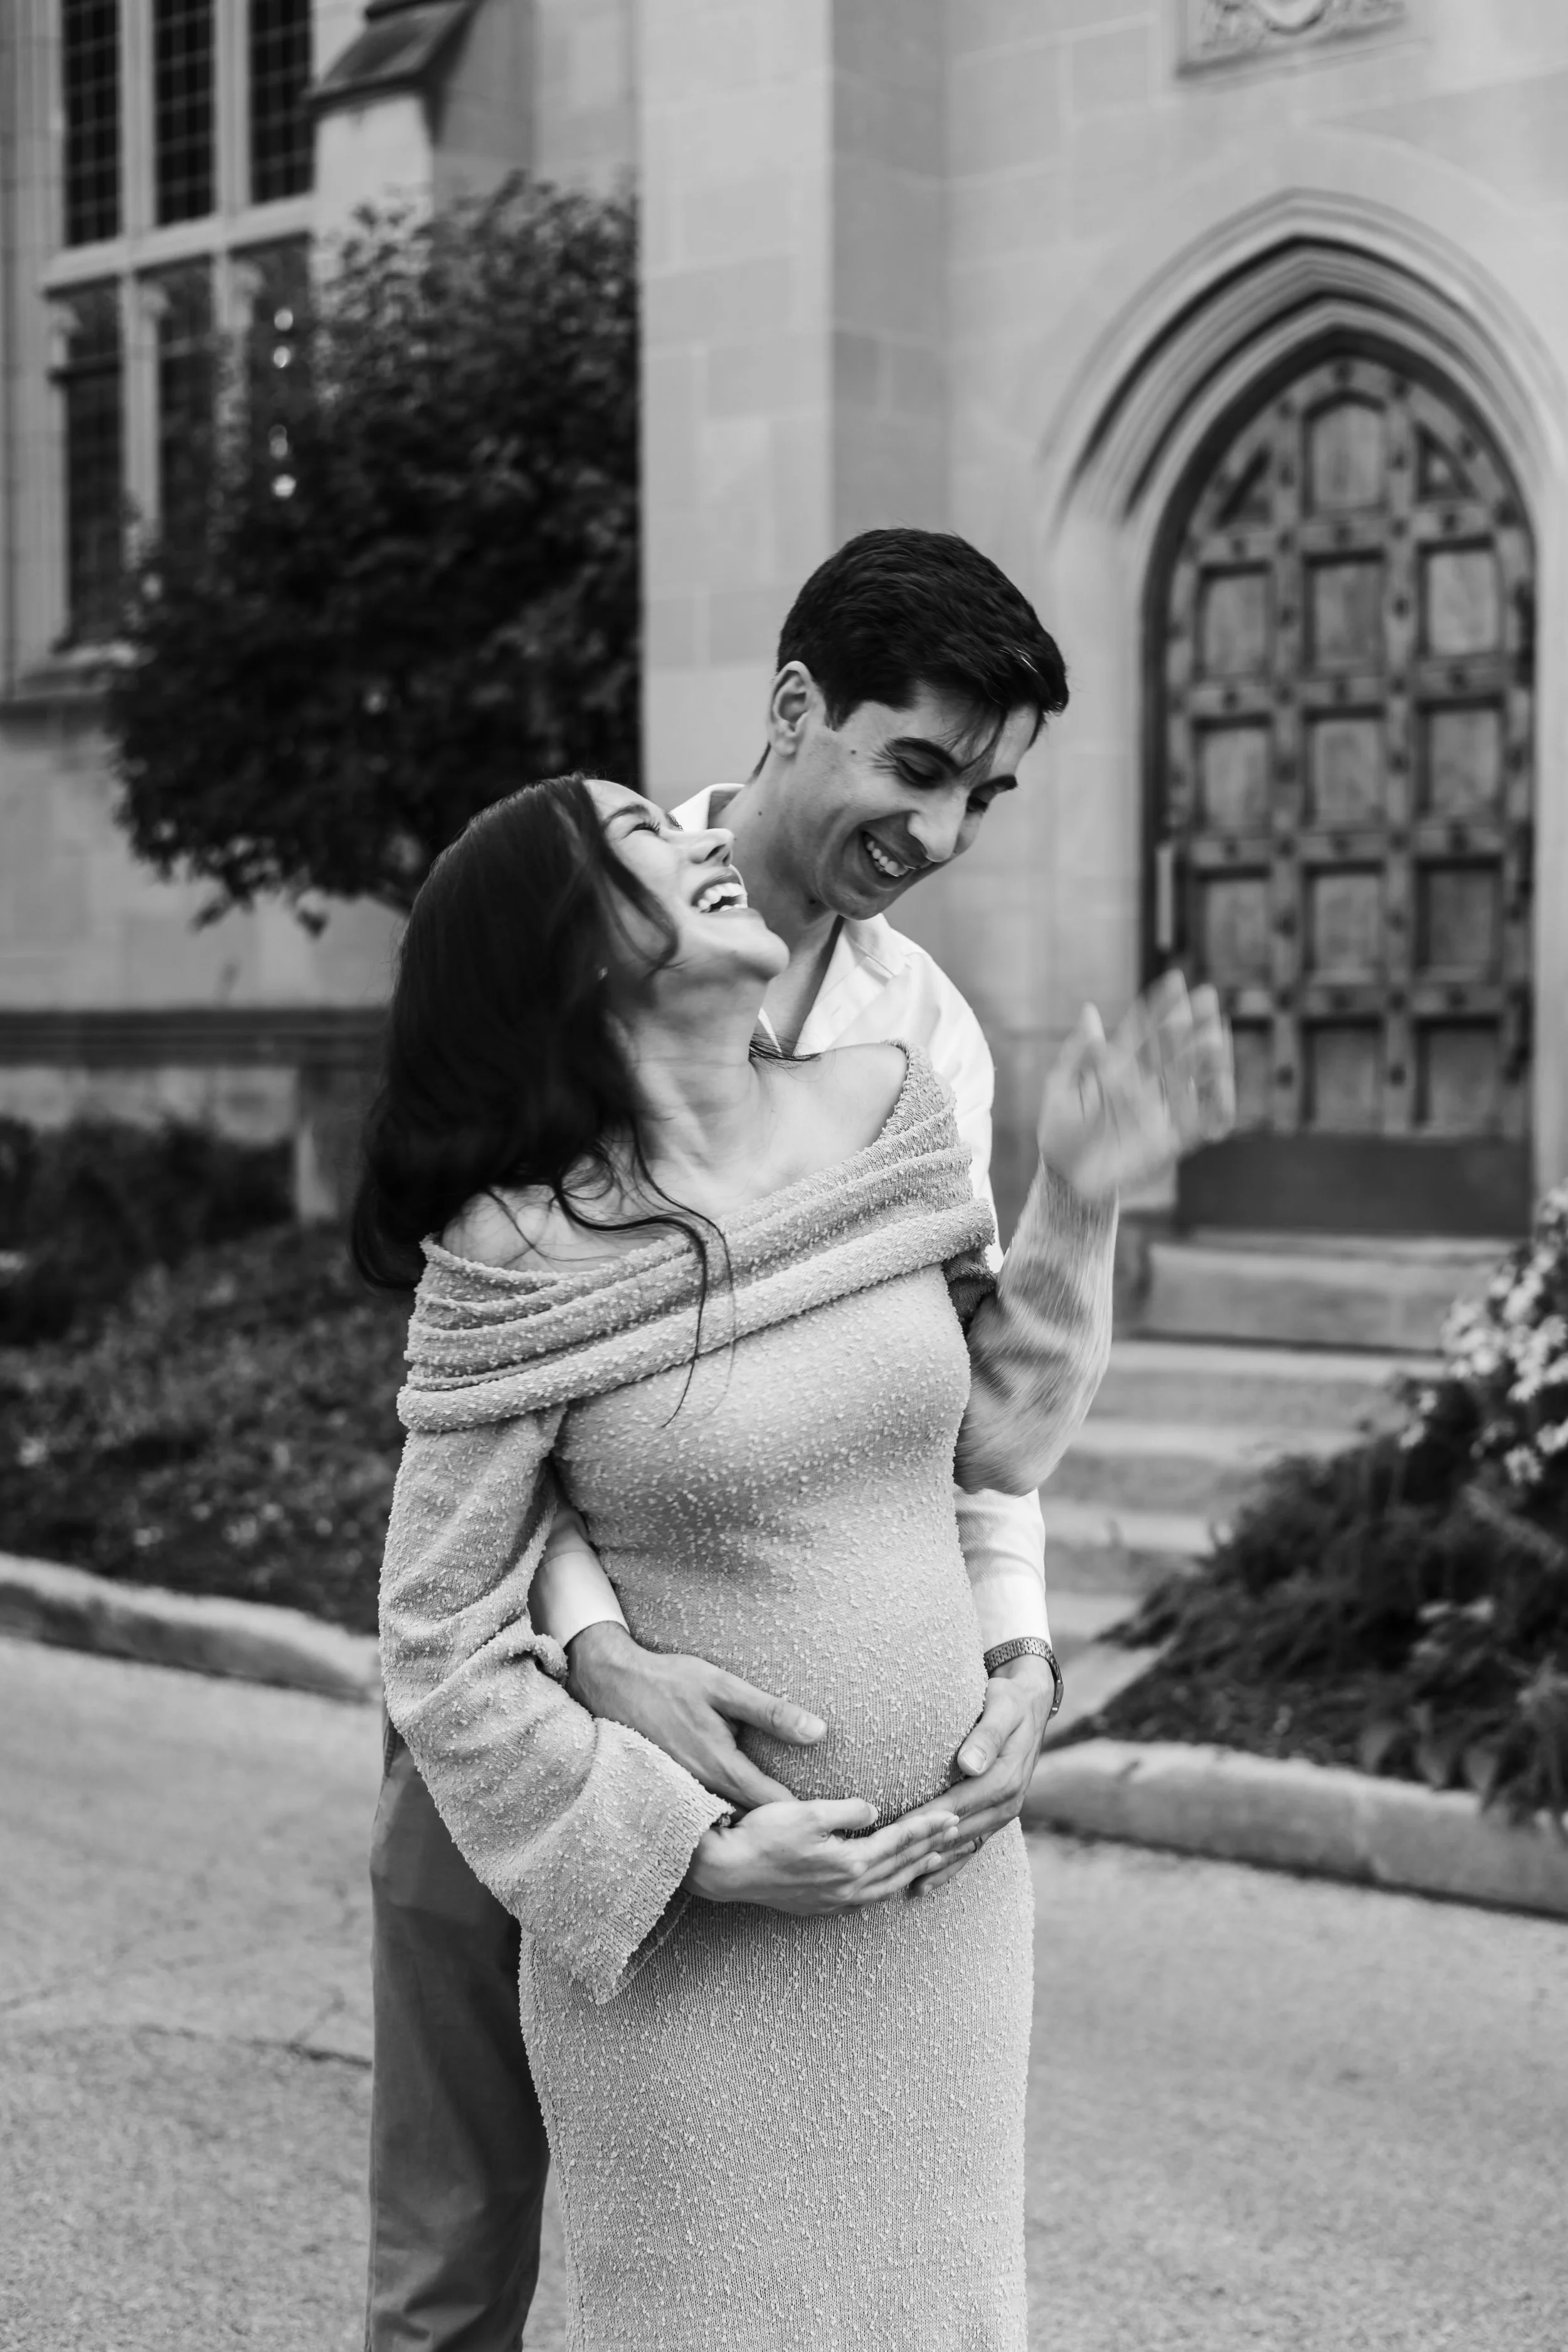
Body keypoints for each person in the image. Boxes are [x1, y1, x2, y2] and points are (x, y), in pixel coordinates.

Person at [359, 529, 1177, 2350]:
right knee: (461, 2236)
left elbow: (965, 1420)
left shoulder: (918, 1048)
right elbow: (517, 1425)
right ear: (801, 706)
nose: (944, 833)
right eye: (917, 766)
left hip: (898, 1872)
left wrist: (1020, 1644)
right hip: (568, 1715)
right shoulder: (576, 891)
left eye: (985, 793)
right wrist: (600, 1659)